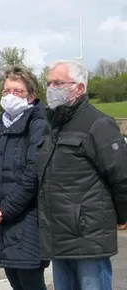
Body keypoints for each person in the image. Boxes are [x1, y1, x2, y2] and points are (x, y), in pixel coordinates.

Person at [37, 60, 127, 290]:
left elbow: (121, 175)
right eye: (48, 83)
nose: (51, 88)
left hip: (87, 234)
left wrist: (122, 216)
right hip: (58, 232)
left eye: (58, 83)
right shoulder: (53, 125)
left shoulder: (98, 124)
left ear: (79, 87)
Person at [0, 66, 48, 290]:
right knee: (16, 281)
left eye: (18, 91)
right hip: (0, 221)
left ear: (31, 96)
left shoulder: (38, 124)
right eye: (6, 91)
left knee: (31, 282)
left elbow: (33, 174)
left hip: (27, 219)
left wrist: (4, 210)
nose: (10, 96)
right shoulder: (0, 124)